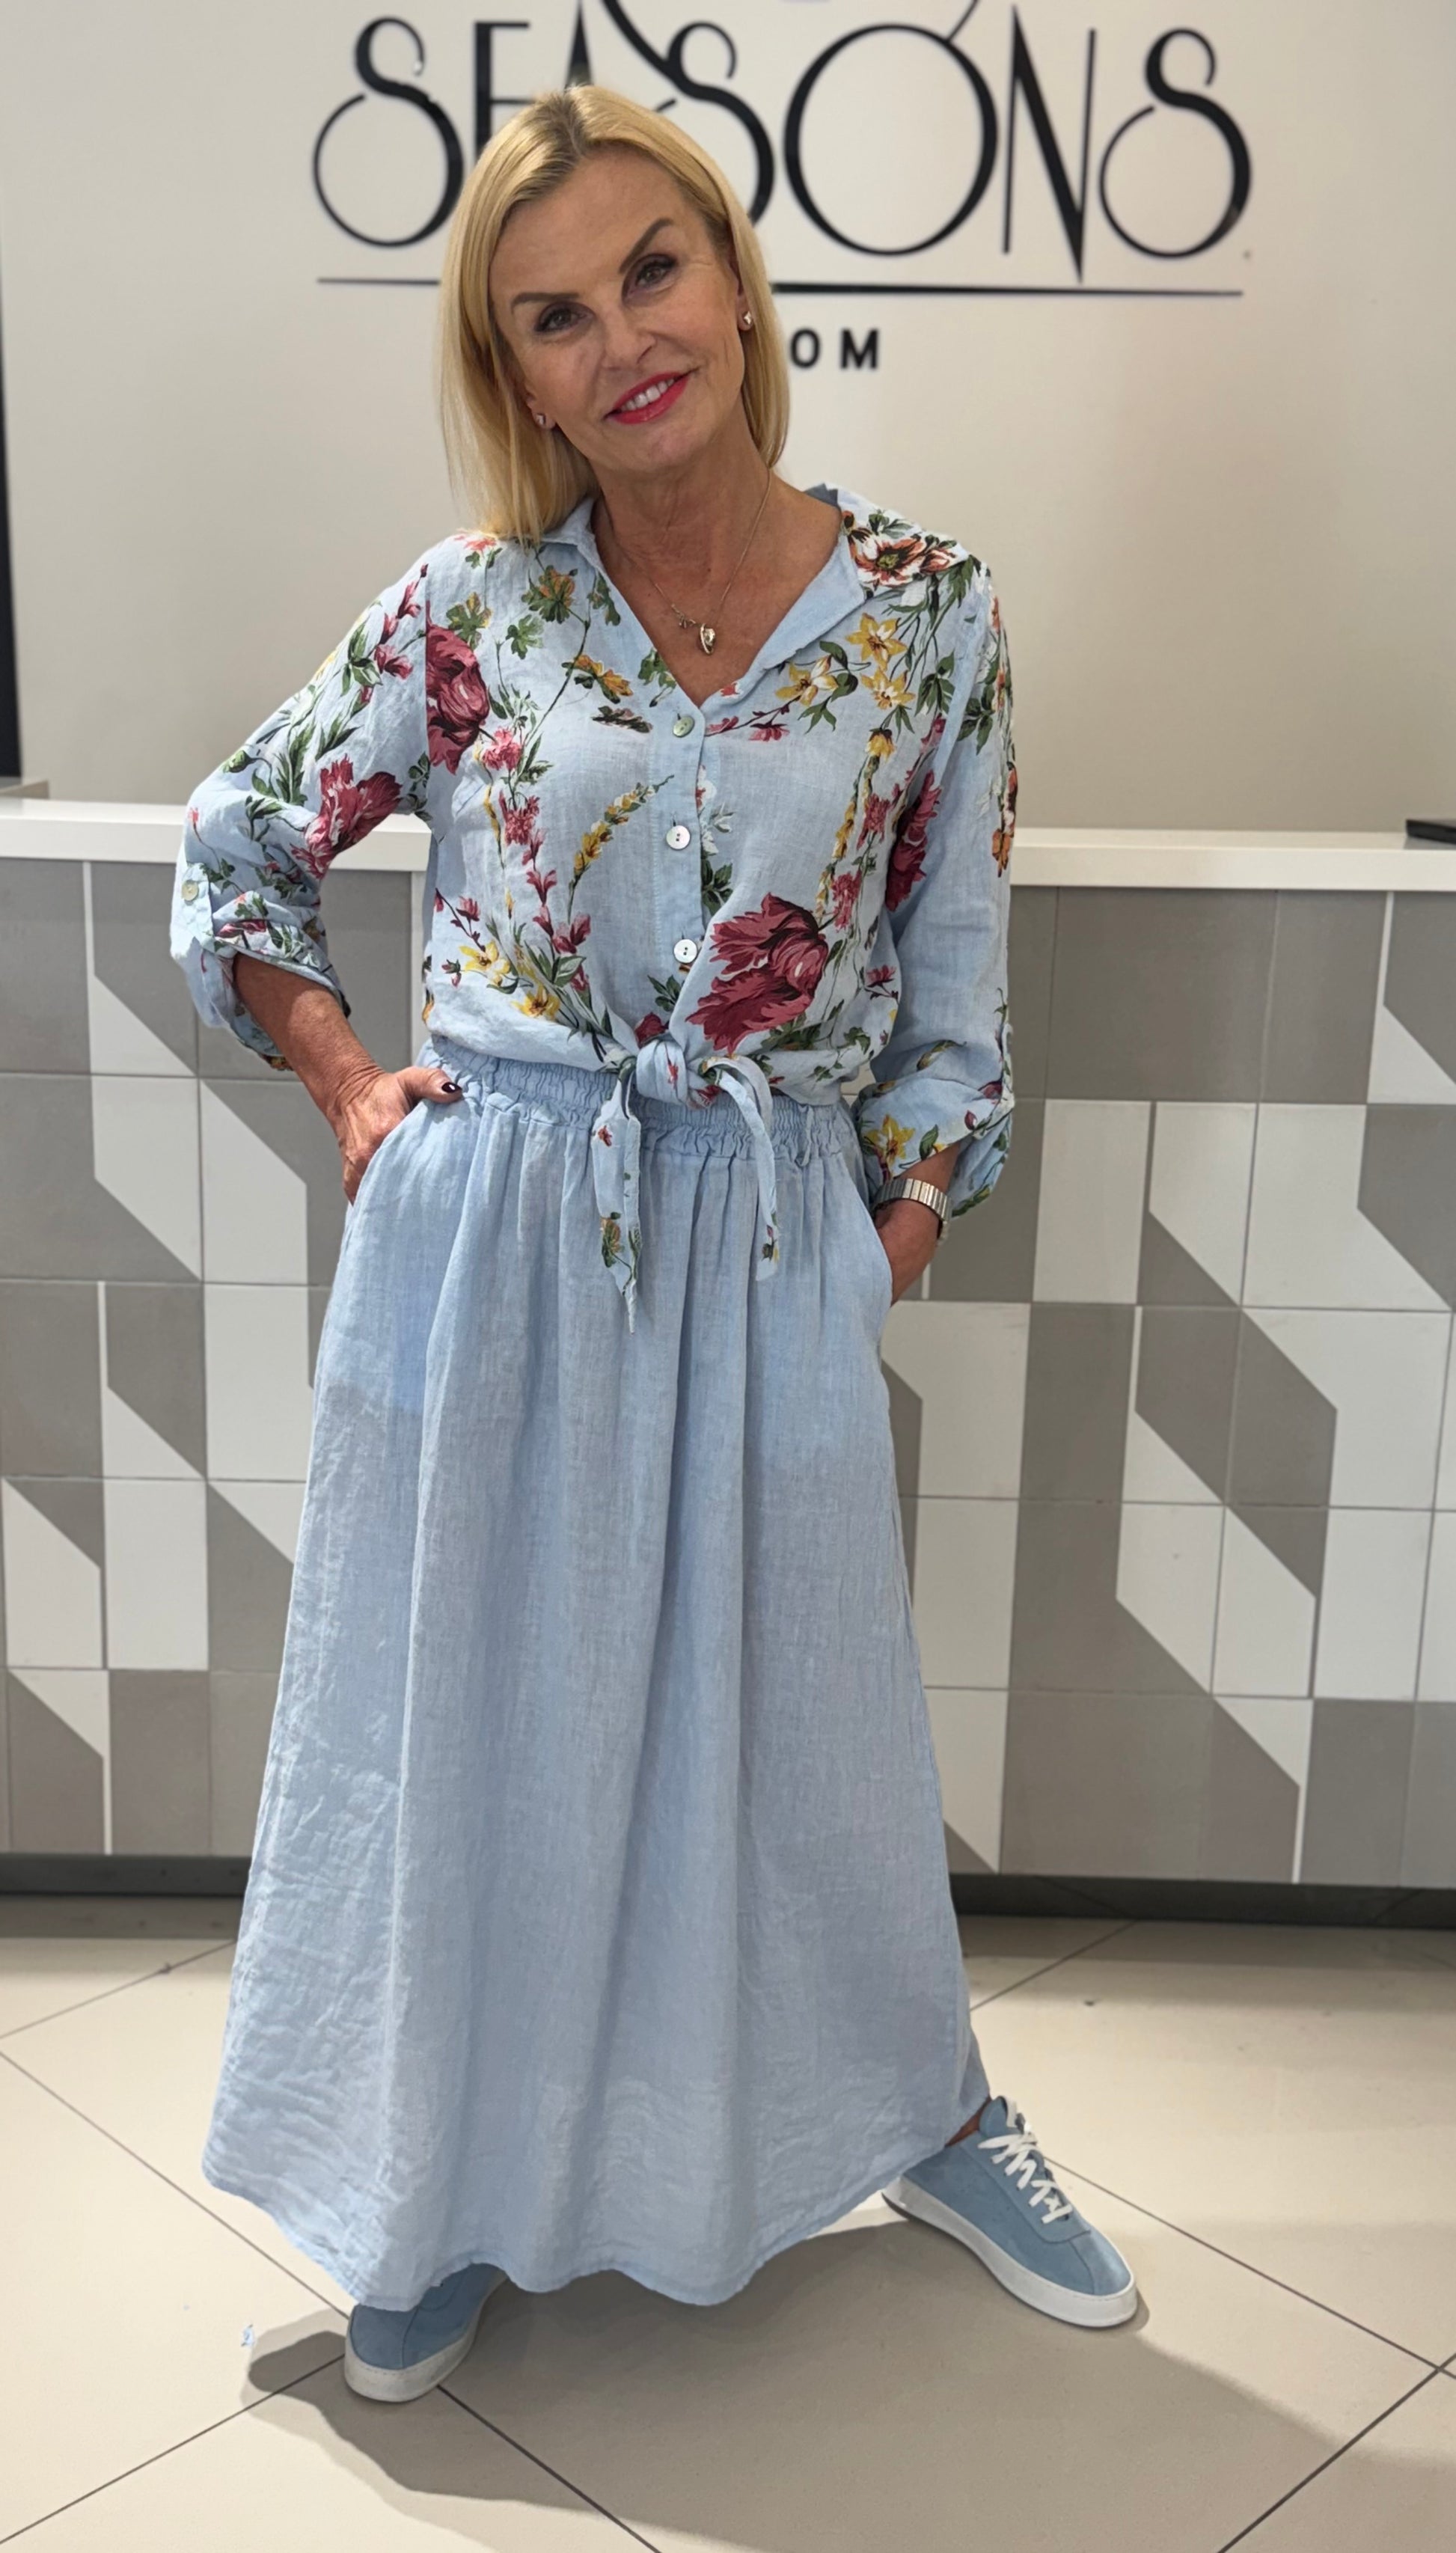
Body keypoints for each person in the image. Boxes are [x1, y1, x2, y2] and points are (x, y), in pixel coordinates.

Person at [171, 83, 1137, 2405]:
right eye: (552, 317)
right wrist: (349, 1083)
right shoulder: (471, 610)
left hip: (773, 1234)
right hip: (492, 1224)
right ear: (512, 374)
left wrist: (893, 1228)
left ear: (730, 277)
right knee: (463, 1709)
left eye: (649, 271)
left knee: (802, 1715)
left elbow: (957, 992)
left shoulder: (926, 615)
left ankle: (923, 2112)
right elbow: (238, 840)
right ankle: (428, 2177)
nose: (621, 340)